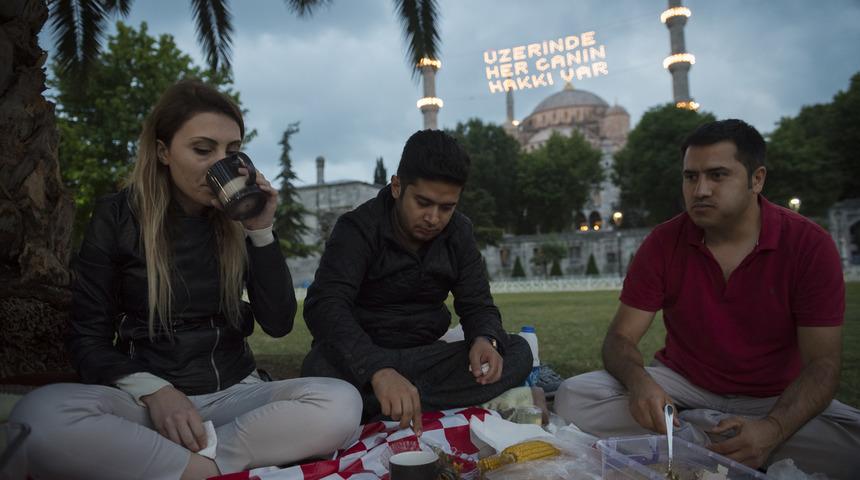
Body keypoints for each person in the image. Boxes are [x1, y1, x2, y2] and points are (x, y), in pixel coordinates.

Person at [9, 79, 362, 480]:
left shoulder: (235, 222)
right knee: (39, 415)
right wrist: (156, 391)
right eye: (202, 149)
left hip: (234, 393)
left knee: (341, 401)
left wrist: (260, 230)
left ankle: (193, 467)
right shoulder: (118, 217)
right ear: (163, 152)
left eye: (232, 151)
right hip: (147, 402)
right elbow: (87, 339)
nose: (220, 164)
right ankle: (212, 463)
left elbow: (280, 324)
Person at [555, 119, 860, 478]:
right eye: (690, 177)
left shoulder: (808, 244)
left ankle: (698, 441)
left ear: (756, 179)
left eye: (717, 176)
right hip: (684, 383)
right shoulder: (664, 242)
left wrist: (774, 428)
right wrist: (640, 383)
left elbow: (822, 365)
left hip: (773, 395)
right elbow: (620, 339)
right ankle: (726, 445)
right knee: (574, 396)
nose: (700, 190)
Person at [301, 130, 533, 435]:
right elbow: (325, 306)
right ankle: (396, 400)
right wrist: (377, 370)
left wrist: (484, 339)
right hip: (361, 356)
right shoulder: (358, 228)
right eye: (423, 203)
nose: (433, 218)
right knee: (320, 366)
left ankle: (382, 407)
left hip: (425, 356)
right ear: (397, 186)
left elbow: (477, 304)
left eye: (447, 207)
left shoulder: (459, 232)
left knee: (517, 351)